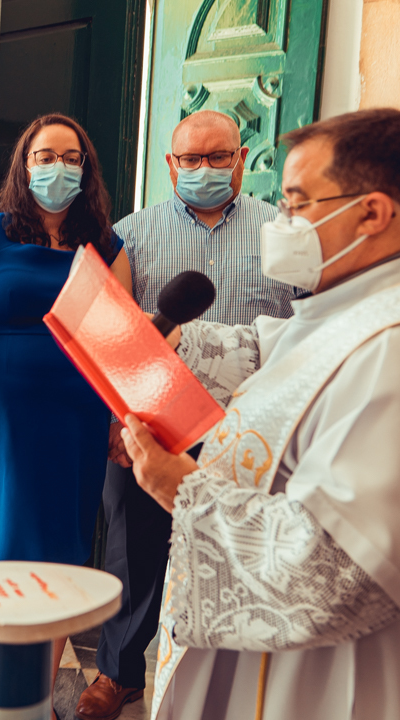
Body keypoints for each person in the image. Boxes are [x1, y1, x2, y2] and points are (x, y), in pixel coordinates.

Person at [117, 108, 400, 720]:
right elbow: (279, 348)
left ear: (372, 212)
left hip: (317, 684)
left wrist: (184, 491)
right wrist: (184, 343)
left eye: (297, 202)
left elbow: (337, 570)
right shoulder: (363, 304)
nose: (282, 222)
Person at [77, 110, 296, 720]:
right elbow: (110, 333)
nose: (203, 170)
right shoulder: (134, 234)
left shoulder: (281, 233)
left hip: (252, 426)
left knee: (236, 546)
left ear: (242, 159)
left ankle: (235, 681)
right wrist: (121, 420)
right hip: (153, 423)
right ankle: (118, 675)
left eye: (217, 157)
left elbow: (304, 328)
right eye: (190, 160)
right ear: (170, 165)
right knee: (133, 549)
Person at [0, 113, 131, 712]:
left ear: (86, 169)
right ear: (24, 164)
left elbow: (122, 345)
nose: (57, 167)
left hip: (75, 424)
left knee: (61, 563)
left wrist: (122, 423)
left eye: (71, 158)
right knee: (9, 555)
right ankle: (4, 696)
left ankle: (36, 701)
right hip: (0, 425)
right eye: (45, 156)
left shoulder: (106, 246)